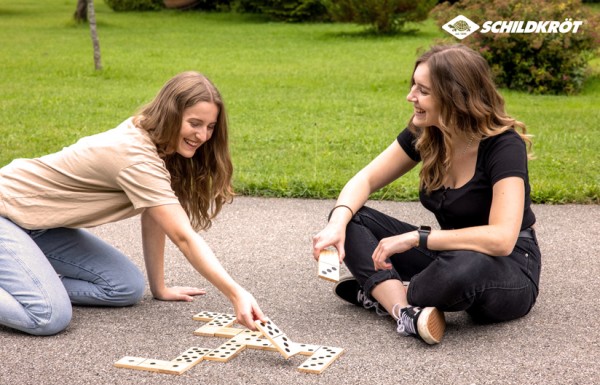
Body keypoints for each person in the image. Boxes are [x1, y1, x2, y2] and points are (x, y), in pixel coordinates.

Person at [0, 71, 266, 336]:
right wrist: (235, 293)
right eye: (195, 123)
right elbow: (183, 237)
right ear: (171, 114)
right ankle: (35, 289)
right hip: (6, 213)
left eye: (210, 127)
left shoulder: (159, 142)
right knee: (48, 315)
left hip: (37, 224)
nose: (203, 135)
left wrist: (159, 287)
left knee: (124, 286)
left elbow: (155, 215)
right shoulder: (135, 157)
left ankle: (28, 282)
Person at [312, 44, 541, 345]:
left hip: (507, 265)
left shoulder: (504, 146)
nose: (411, 97)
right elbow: (365, 179)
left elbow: (501, 239)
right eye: (413, 87)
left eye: (423, 90)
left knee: (459, 272)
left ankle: (385, 292)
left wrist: (417, 237)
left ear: (455, 96)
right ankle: (405, 313)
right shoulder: (427, 132)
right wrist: (336, 225)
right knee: (353, 218)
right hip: (449, 253)